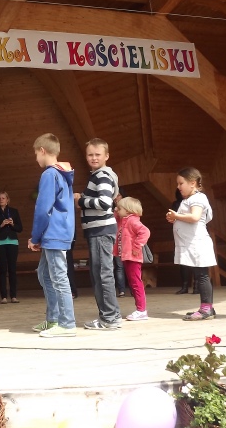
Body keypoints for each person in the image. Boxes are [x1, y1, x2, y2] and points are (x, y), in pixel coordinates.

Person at [28, 133, 77, 338]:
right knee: (44, 274)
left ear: (42, 151)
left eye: (35, 154)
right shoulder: (63, 173)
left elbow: (43, 209)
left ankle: (67, 324)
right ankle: (53, 319)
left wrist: (35, 237)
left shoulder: (49, 174)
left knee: (58, 277)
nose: (36, 159)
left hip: (53, 233)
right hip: (57, 232)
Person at [75, 137, 122, 330]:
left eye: (97, 154)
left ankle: (109, 318)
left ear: (106, 156)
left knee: (103, 274)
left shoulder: (102, 176)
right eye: (90, 155)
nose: (93, 158)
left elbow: (105, 203)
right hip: (98, 231)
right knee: (100, 274)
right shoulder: (99, 175)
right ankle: (110, 315)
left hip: (101, 230)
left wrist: (80, 201)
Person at [166, 167, 218, 321]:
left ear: (192, 183)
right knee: (200, 275)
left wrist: (177, 216)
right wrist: (175, 218)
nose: (178, 186)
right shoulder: (189, 199)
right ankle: (207, 308)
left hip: (197, 244)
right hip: (192, 244)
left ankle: (206, 310)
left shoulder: (198, 198)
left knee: (202, 276)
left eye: (181, 183)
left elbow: (195, 217)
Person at [114, 197, 151, 321]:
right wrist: (116, 209)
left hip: (133, 257)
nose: (117, 210)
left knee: (136, 283)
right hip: (127, 257)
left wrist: (137, 246)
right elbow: (115, 217)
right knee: (133, 283)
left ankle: (141, 310)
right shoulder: (123, 220)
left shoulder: (132, 221)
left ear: (128, 210)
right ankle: (140, 309)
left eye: (120, 208)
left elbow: (145, 232)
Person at [0, 192, 23, 304]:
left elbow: (20, 228)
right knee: (2, 269)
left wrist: (12, 224)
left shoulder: (14, 211)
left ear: (8, 200)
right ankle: (3, 296)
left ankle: (13, 296)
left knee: (12, 269)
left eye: (3, 198)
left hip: (12, 242)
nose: (1, 200)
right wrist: (1, 225)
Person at [172, 188, 196, 295]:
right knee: (183, 261)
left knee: (194, 261)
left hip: (192, 234)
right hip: (181, 234)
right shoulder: (176, 204)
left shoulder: (194, 201)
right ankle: (185, 286)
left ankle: (195, 286)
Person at [112, 188, 127, 298]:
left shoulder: (128, 209)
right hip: (117, 240)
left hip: (127, 240)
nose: (116, 198)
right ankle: (121, 290)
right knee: (119, 266)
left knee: (130, 266)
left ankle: (133, 289)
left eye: (119, 195)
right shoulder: (112, 210)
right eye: (115, 196)